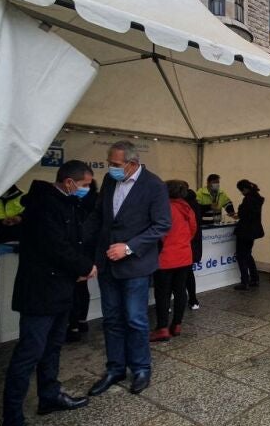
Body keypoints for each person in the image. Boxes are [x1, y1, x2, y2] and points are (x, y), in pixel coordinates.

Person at [2, 161, 96, 426]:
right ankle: (12, 425)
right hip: (40, 292)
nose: (87, 190)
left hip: (61, 289)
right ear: (69, 182)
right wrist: (85, 266)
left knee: (53, 347)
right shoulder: (44, 205)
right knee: (28, 355)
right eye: (85, 185)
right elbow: (55, 247)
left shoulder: (66, 203)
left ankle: (49, 395)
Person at [85, 141, 171, 397]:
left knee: (135, 319)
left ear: (132, 164)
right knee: (111, 319)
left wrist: (129, 247)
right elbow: (99, 217)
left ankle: (141, 368)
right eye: (109, 162)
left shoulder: (154, 185)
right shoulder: (110, 181)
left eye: (115, 164)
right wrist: (80, 244)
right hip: (107, 264)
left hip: (135, 265)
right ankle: (115, 368)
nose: (110, 167)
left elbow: (162, 225)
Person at [150, 180, 199, 342]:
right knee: (180, 291)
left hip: (165, 257)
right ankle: (177, 325)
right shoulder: (187, 207)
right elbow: (193, 230)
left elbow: (157, 232)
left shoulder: (163, 207)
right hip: (184, 256)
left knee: (163, 293)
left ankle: (162, 328)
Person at [67, 179, 98, 342]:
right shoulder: (97, 201)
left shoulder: (75, 203)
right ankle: (82, 320)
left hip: (77, 249)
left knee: (74, 289)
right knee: (82, 287)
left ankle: (73, 326)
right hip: (89, 251)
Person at [233, 179, 265, 290]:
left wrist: (239, 212)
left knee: (241, 256)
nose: (241, 193)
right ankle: (255, 278)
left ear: (245, 189)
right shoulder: (257, 198)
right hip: (253, 231)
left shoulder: (248, 199)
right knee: (247, 254)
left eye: (241, 190)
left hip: (244, 231)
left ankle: (244, 281)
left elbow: (243, 214)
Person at [184, 188, 204, 309]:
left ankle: (167, 305)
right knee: (189, 274)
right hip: (192, 247)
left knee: (174, 277)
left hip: (182, 247)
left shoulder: (183, 208)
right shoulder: (196, 206)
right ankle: (193, 300)